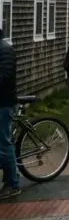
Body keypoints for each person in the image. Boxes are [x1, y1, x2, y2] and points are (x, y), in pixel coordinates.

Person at [0, 27, 19, 199]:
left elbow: (4, 76)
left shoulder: (5, 49)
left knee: (4, 143)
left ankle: (13, 183)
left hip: (3, 102)